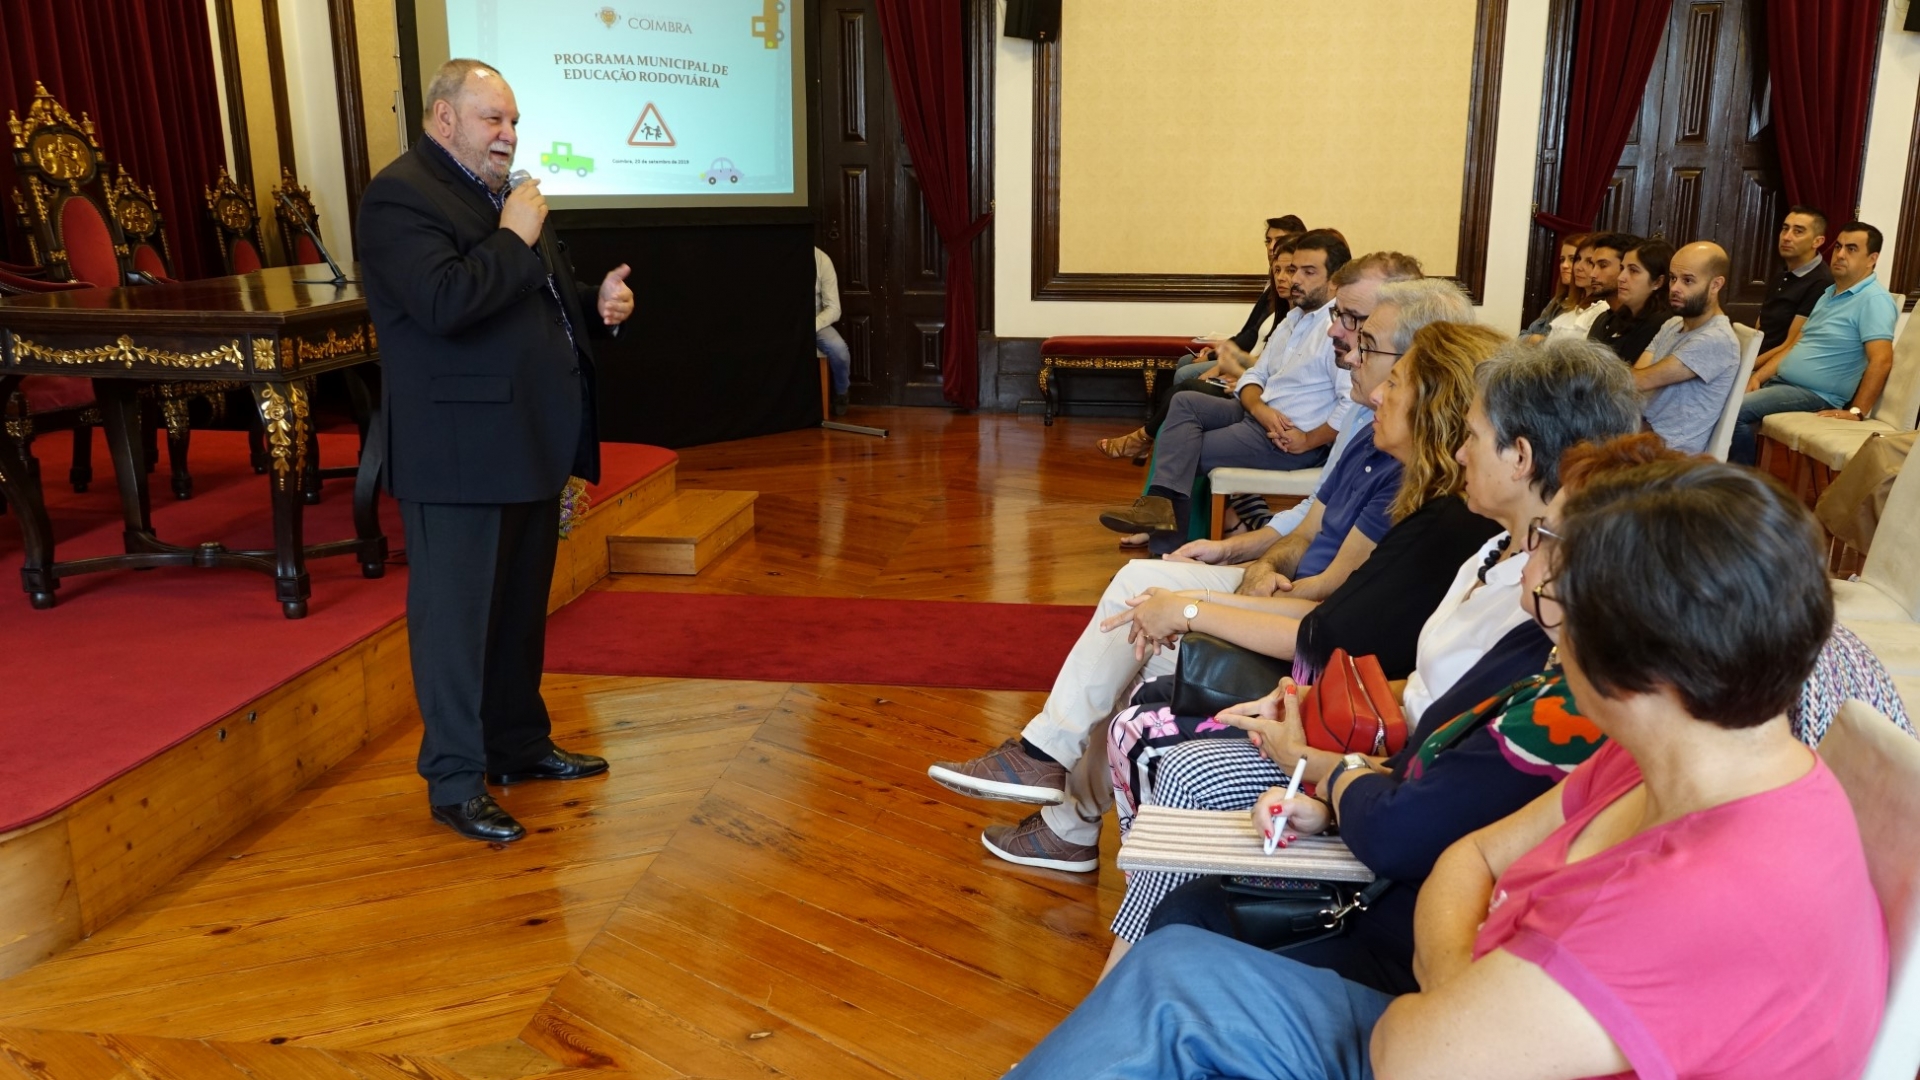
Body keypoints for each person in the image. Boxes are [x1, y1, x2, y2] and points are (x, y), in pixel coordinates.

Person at [1008, 457, 1888, 1080]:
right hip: (1464, 1015)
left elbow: (1412, 1057)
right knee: (1176, 973)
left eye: (1562, 600)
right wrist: (1463, 980)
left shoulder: (1701, 892)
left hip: (1433, 1044)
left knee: (1170, 993)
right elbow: (1471, 861)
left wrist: (1451, 984)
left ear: (1636, 657)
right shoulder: (1688, 758)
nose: (1549, 622)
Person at [1098, 338, 1643, 968]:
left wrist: (1328, 771)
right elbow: (1423, 695)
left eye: (1474, 434)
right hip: (1377, 760)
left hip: (1386, 800)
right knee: (1156, 723)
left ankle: (1135, 957)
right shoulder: (1493, 554)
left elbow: (1431, 793)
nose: (1462, 450)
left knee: (1180, 769)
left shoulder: (1537, 622)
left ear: (1520, 457)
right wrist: (1311, 712)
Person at [925, 302, 1470, 875]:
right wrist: (1240, 559)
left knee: (1143, 643)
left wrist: (1195, 608)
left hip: (1312, 635)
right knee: (1141, 599)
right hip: (1293, 600)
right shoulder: (1372, 441)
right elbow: (1305, 529)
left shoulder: (1419, 494)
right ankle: (1056, 783)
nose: (1352, 349)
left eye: (1374, 348)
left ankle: (1062, 800)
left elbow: (1326, 607)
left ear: (1430, 397)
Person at [357, 59, 635, 842]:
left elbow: (529, 298)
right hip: (457, 453)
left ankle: (517, 745)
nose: (509, 136)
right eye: (493, 120)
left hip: (523, 443)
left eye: (514, 121)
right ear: (444, 119)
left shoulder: (499, 195)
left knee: (516, 613)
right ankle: (453, 780)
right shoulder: (401, 196)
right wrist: (516, 233)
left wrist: (597, 307)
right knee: (454, 625)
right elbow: (448, 302)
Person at [1099, 230, 1354, 552]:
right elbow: (1255, 374)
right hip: (1259, 416)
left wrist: (1307, 440)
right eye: (1293, 269)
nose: (1294, 279)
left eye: (1308, 271)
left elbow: (1350, 405)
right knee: (1185, 400)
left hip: (1287, 437)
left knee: (1179, 450)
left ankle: (1162, 546)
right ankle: (1159, 516)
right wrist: (1259, 408)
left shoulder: (1337, 329)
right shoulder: (1294, 319)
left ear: (1335, 281)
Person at [1098, 216, 1304, 461]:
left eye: (1289, 270)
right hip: (1252, 384)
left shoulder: (1309, 317)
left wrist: (1235, 372)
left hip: (1267, 402)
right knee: (1186, 376)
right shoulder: (1285, 307)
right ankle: (1152, 446)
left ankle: (1146, 441)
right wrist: (1229, 363)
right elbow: (1255, 342)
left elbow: (1279, 371)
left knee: (1185, 388)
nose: (1281, 275)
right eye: (1277, 269)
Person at [1732, 221, 1898, 464]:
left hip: (1816, 394)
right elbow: (1796, 345)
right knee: (1713, 396)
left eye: (1851, 249)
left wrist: (1857, 412)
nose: (1840, 254)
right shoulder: (1829, 293)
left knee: (1733, 411)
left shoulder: (1874, 300)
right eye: (1839, 247)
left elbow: (1881, 360)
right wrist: (1757, 376)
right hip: (1783, 383)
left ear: (1872, 258)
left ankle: (1740, 492)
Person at [1633, 241, 1743, 454]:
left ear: (1715, 285)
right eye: (1673, 278)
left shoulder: (1716, 339)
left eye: (1688, 281)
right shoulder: (1672, 324)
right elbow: (1637, 378)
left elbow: (1640, 381)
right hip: (1643, 433)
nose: (1675, 288)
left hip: (1670, 454)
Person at [1755, 205, 1834, 362]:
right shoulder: (1783, 273)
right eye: (1785, 229)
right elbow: (1760, 327)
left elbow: (1790, 345)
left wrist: (1747, 365)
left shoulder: (1821, 282)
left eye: (1798, 231)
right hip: (1756, 356)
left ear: (1817, 241)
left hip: (1778, 367)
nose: (1786, 237)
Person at [1587, 236, 1671, 362]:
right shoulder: (1612, 319)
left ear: (1658, 282)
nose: (1621, 277)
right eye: (1622, 268)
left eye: (1633, 270)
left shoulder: (1662, 323)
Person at [1519, 233, 1588, 340]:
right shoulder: (1557, 301)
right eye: (1562, 260)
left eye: (1572, 259)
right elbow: (1522, 336)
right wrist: (1534, 339)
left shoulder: (1592, 308)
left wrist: (1537, 340)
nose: (1564, 265)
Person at [815, 246, 850, 416]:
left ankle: (841, 393)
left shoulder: (822, 259)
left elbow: (834, 308)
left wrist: (813, 324)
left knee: (839, 350)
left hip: (816, 321)